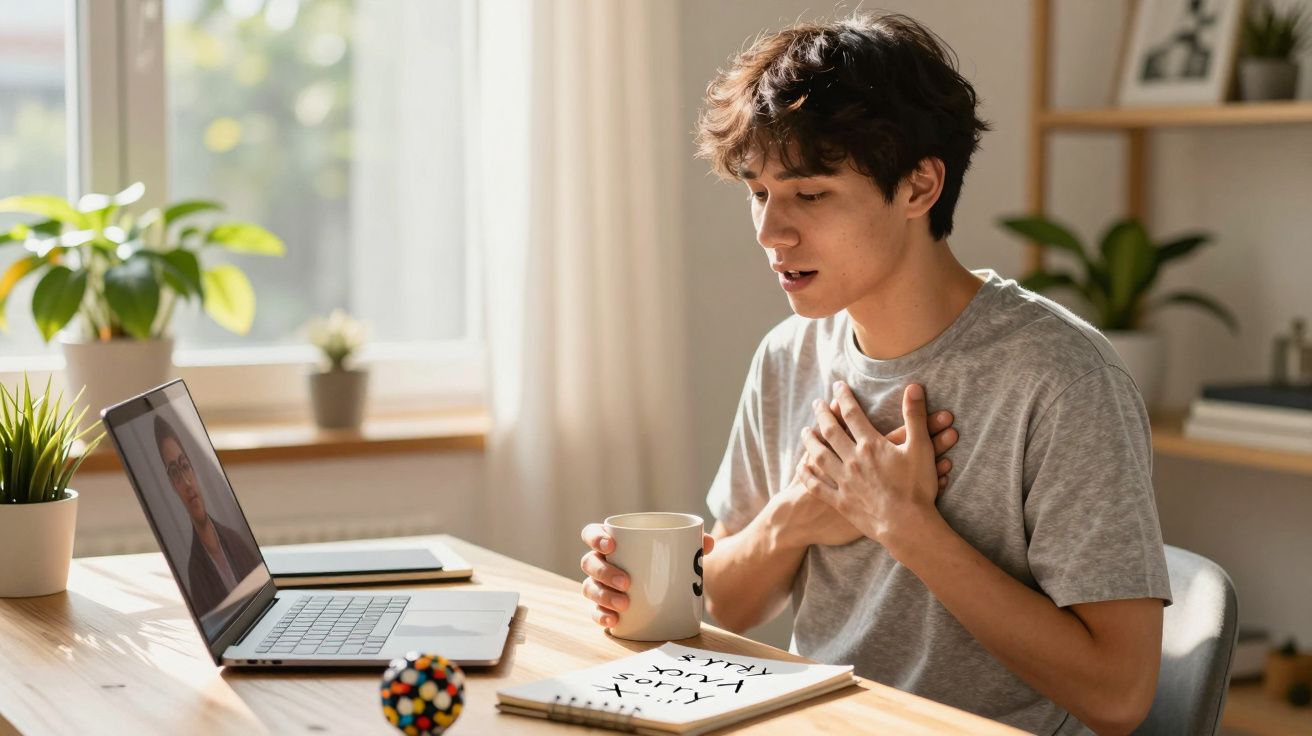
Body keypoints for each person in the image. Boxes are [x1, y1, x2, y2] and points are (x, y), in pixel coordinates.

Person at [579, 13, 1171, 735]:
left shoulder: (1061, 378)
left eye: (811, 194)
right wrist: (798, 514)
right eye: (758, 192)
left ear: (920, 186)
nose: (771, 232)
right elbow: (731, 604)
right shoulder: (788, 354)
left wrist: (902, 523)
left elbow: (1118, 696)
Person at [154, 415, 261, 614]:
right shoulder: (196, 575)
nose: (186, 483)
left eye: (185, 466)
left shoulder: (234, 540)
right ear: (172, 485)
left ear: (194, 470)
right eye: (175, 473)